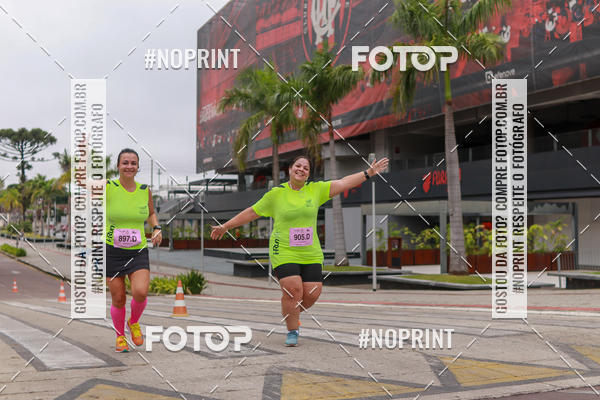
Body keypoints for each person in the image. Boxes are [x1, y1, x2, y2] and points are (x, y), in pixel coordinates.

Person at [211, 155, 389, 346]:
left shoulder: (316, 190)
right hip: (283, 250)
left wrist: (368, 173)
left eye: (306, 168)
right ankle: (292, 329)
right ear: (290, 169)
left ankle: (291, 312)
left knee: (312, 293)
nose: (301, 169)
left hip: (310, 252)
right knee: (294, 290)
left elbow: (343, 183)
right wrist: (226, 226)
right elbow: (252, 212)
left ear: (308, 174)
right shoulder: (276, 194)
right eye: (298, 165)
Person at [105, 148, 162, 352]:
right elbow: (84, 183)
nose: (129, 166)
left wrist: (156, 227)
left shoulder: (144, 190)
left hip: (137, 251)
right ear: (118, 166)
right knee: (118, 298)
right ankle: (120, 335)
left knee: (140, 292)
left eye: (133, 163)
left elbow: (151, 213)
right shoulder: (108, 187)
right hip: (112, 250)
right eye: (125, 163)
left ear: (138, 167)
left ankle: (134, 322)